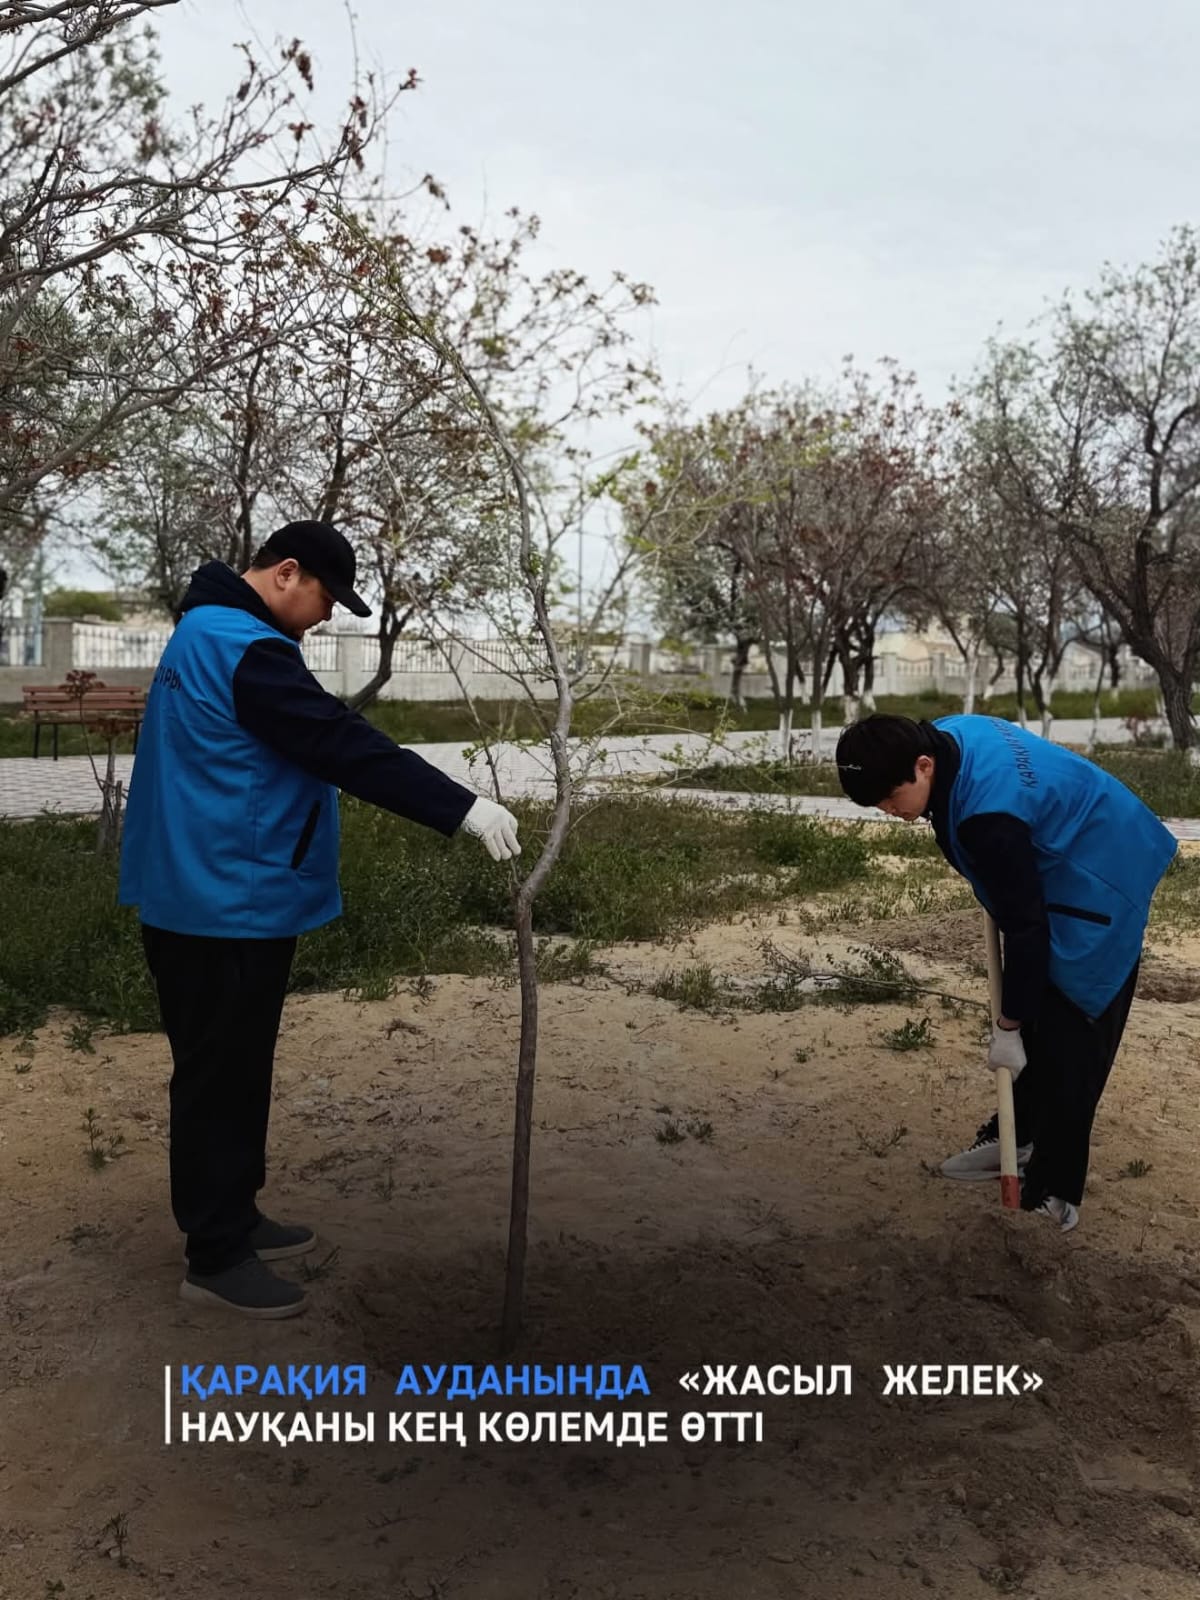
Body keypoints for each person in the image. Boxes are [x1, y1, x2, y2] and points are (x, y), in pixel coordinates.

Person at [119, 521, 522, 1318]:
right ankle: (215, 1260)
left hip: (208, 889)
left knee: (232, 1067)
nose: (329, 616)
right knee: (219, 1076)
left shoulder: (205, 629)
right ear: (287, 573)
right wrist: (459, 808)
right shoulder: (247, 649)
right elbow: (338, 742)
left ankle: (235, 1215)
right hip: (223, 900)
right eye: (326, 598)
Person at [834, 712, 1176, 1234]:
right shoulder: (947, 733)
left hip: (1103, 865)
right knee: (1039, 1005)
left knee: (1072, 1027)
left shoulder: (989, 820)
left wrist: (1009, 1026)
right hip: (1062, 838)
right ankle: (1018, 1137)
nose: (888, 811)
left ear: (923, 766)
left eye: (888, 798)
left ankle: (1054, 1192)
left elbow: (1027, 931)